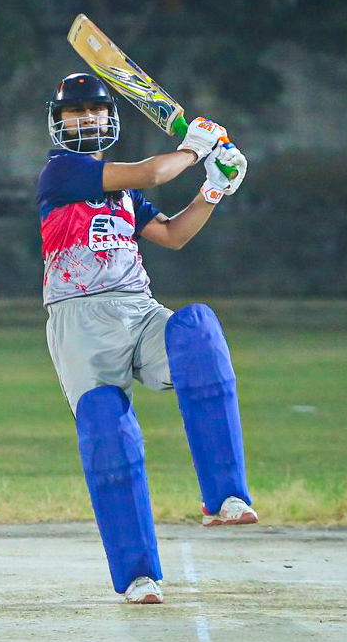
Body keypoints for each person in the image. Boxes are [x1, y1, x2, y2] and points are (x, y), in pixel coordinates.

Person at [37, 72, 256, 605]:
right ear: (58, 122)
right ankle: (139, 576)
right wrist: (194, 148)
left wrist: (213, 189)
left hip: (138, 309)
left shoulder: (124, 193)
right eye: (75, 111)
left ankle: (224, 496)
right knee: (106, 428)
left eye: (95, 109)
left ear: (110, 117)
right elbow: (155, 171)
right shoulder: (63, 171)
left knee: (198, 332)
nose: (87, 118)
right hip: (79, 322)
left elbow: (173, 235)